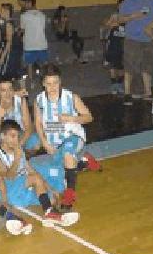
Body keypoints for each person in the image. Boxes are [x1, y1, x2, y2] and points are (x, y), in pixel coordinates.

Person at [31, 64, 101, 214]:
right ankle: (84, 161)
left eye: (55, 82)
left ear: (60, 81)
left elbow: (89, 117)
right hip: (54, 142)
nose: (52, 87)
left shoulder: (71, 97)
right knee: (61, 169)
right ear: (43, 84)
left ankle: (69, 196)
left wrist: (71, 118)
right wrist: (44, 143)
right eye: (48, 83)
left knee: (68, 154)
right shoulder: (39, 100)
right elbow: (37, 122)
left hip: (73, 137)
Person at [0, 120, 74, 226]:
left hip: (22, 187)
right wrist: (16, 159)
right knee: (34, 178)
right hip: (9, 190)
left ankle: (49, 212)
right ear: (3, 136)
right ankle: (50, 214)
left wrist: (50, 188)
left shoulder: (18, 148)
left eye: (17, 136)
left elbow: (30, 169)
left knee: (51, 199)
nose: (16, 140)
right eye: (12, 136)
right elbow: (9, 177)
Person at [117, 0, 153, 105]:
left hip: (149, 39)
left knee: (147, 66)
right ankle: (127, 93)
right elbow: (120, 20)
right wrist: (132, 16)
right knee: (130, 66)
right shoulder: (129, 2)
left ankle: (148, 92)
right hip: (132, 39)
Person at [0, 76, 38, 153]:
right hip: (5, 136)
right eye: (3, 90)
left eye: (10, 89)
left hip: (21, 133)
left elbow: (28, 128)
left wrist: (19, 145)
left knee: (36, 142)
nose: (8, 93)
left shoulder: (20, 101)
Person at [20, 0, 49, 89]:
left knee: (29, 65)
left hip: (29, 45)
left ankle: (32, 82)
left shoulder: (24, 16)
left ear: (30, 3)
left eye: (26, 3)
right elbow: (43, 28)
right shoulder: (42, 15)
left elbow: (23, 30)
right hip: (41, 44)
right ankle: (46, 81)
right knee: (44, 64)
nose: (24, 5)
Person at [102, 0, 127, 95]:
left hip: (123, 44)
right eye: (121, 5)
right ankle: (114, 84)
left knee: (121, 66)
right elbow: (106, 24)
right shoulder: (115, 15)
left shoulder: (130, 17)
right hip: (113, 44)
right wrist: (112, 23)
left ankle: (120, 84)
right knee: (112, 65)